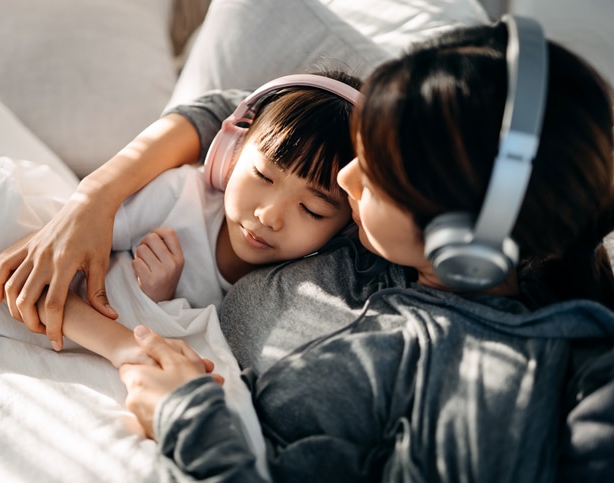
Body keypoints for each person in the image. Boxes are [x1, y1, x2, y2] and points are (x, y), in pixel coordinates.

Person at [112, 17, 614, 481]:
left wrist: (189, 416)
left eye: (374, 179)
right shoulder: (375, 239)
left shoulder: (476, 381)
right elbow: (265, 119)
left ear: (459, 238)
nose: (345, 178)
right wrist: (98, 197)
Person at [32, 72, 360, 360]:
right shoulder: (177, 197)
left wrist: (161, 299)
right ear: (230, 153)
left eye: (311, 210)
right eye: (262, 175)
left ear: (346, 227)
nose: (268, 215)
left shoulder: (291, 293)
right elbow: (45, 268)